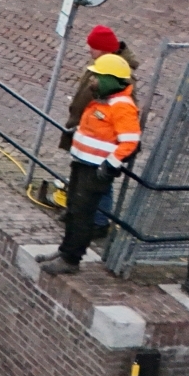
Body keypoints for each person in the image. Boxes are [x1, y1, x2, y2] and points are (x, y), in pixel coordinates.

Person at [43, 53, 141, 275]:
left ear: (109, 80)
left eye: (97, 77)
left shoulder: (121, 106)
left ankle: (71, 259)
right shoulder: (103, 100)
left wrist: (109, 165)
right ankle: (65, 250)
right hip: (83, 163)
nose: (92, 80)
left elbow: (130, 142)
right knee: (73, 210)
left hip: (95, 169)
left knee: (82, 214)